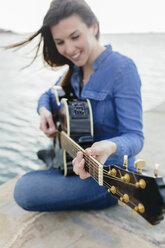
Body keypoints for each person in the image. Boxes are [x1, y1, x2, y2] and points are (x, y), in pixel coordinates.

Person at [13, 0, 144, 212]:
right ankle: (57, 158)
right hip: (76, 160)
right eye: (60, 41)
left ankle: (54, 162)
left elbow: (135, 136)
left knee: (23, 190)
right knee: (50, 151)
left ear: (94, 27)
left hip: (106, 177)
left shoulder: (122, 69)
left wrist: (109, 147)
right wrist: (44, 111)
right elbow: (47, 95)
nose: (69, 49)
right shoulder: (74, 71)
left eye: (75, 37)